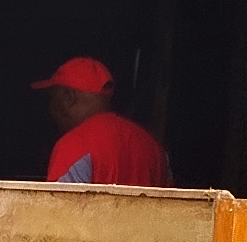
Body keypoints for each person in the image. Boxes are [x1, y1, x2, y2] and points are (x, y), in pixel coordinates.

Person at [34, 55, 170, 188]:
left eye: (52, 99)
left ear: (69, 97)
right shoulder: (154, 147)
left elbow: (57, 208)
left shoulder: (73, 145)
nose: (50, 108)